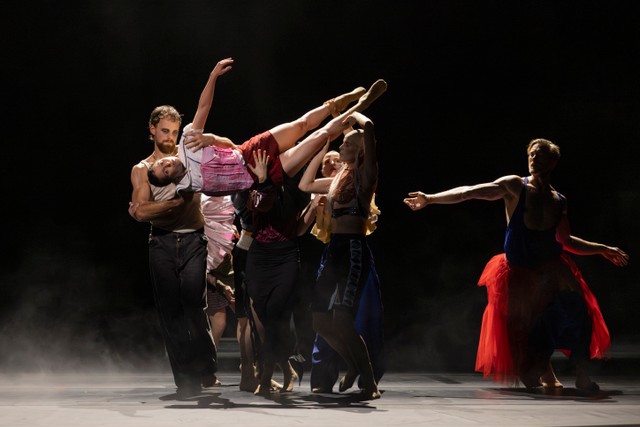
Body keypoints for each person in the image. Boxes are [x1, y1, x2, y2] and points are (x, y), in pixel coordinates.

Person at [403, 138, 629, 391]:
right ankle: (542, 371)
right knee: (528, 329)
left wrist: (602, 248)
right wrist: (430, 198)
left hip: (550, 270)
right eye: (531, 154)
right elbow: (470, 192)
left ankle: (582, 374)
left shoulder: (558, 200)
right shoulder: (514, 186)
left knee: (578, 310)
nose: (533, 159)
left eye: (540, 155)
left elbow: (565, 241)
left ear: (552, 162)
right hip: (520, 270)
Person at [147, 79, 389, 195]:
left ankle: (337, 104)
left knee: (301, 124)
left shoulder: (186, 145)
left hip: (250, 151)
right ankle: (358, 108)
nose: (168, 164)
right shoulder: (188, 188)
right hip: (262, 175)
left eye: (162, 163)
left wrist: (213, 138)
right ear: (171, 180)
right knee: (320, 137)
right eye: (165, 171)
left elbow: (209, 116)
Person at [298, 110, 383, 400]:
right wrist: (320, 148)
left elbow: (369, 126)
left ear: (359, 150)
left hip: (353, 249)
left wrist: (354, 111)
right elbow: (305, 185)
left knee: (343, 320)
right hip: (334, 248)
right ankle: (353, 364)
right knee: (319, 321)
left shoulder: (365, 175)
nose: (341, 147)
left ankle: (368, 380)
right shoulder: (337, 180)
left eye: (347, 144)